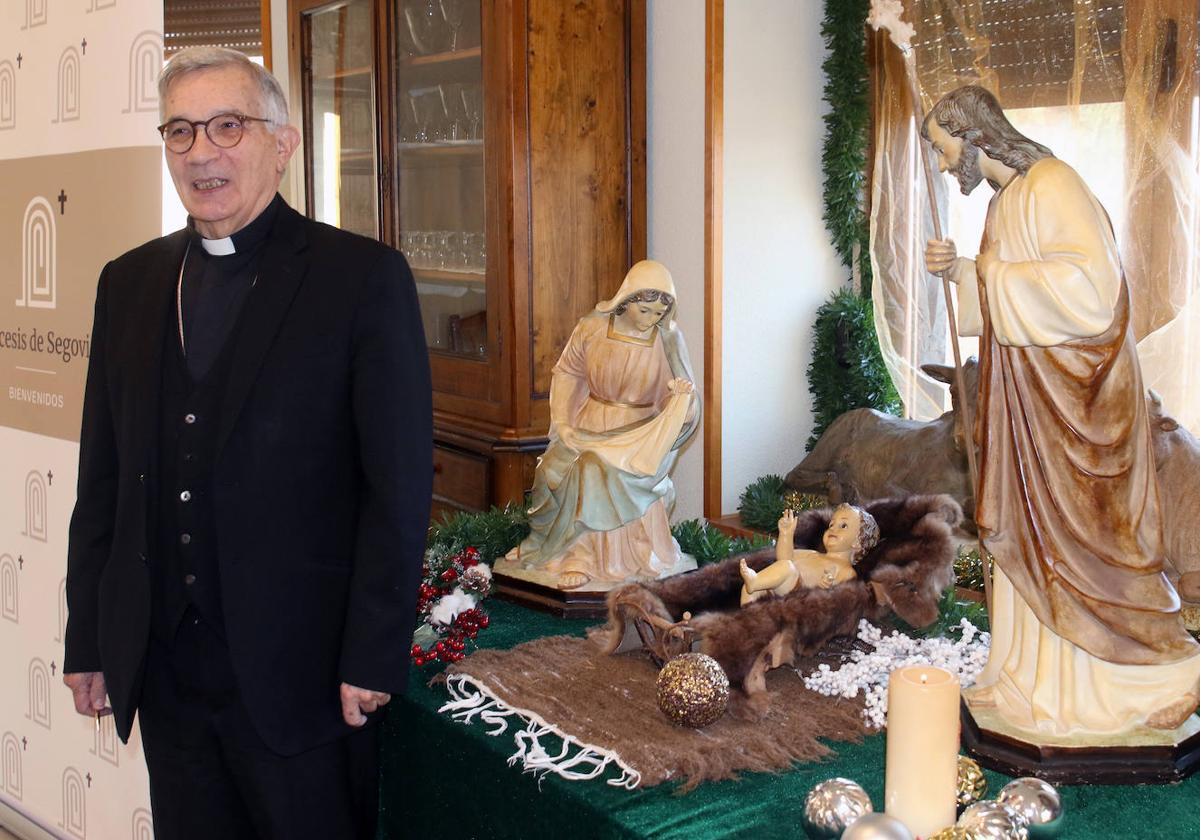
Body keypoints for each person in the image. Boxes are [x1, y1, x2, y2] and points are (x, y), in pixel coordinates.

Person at [61, 47, 432, 838]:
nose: (203, 152)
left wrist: (373, 653)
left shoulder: (361, 279)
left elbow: (395, 490)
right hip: (166, 670)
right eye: (182, 132)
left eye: (228, 126)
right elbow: (104, 477)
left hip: (303, 674)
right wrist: (90, 637)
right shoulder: (126, 283)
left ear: (283, 143)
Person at [923, 85, 1200, 736]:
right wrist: (963, 276)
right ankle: (1034, 686)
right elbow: (1000, 299)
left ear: (972, 135)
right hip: (1031, 409)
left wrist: (982, 274)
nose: (940, 166)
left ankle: (1141, 681)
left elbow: (1091, 294)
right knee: (1030, 535)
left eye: (941, 149)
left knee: (1092, 546)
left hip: (1080, 408)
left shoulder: (1052, 185)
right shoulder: (1006, 201)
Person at [495, 260, 699, 591]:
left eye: (659, 313)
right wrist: (564, 423)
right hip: (590, 421)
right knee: (551, 469)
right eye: (645, 310)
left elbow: (687, 394)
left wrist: (684, 405)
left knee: (593, 469)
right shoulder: (592, 327)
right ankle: (546, 545)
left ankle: (583, 557)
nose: (653, 319)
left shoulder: (668, 339)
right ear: (627, 299)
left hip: (641, 435)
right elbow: (568, 372)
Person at [739, 504, 879, 606]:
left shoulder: (847, 572)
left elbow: (840, 600)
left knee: (787, 568)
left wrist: (827, 589)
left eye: (843, 526)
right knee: (749, 589)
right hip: (779, 595)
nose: (833, 529)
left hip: (802, 601)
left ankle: (755, 581)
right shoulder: (812, 554)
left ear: (857, 542)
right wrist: (786, 534)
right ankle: (750, 624)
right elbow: (784, 558)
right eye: (831, 525)